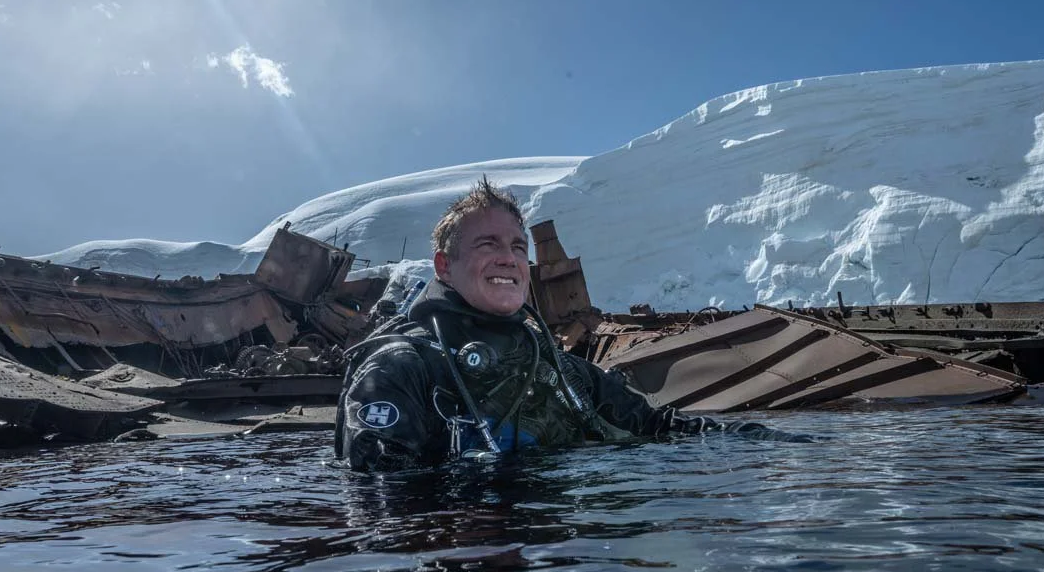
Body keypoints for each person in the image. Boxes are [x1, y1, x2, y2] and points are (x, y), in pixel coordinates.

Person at [335, 177, 798, 472]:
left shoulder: (560, 370)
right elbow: (382, 503)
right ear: (443, 265)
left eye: (519, 247)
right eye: (487, 244)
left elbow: (657, 426)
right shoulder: (401, 369)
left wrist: (771, 443)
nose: (509, 258)